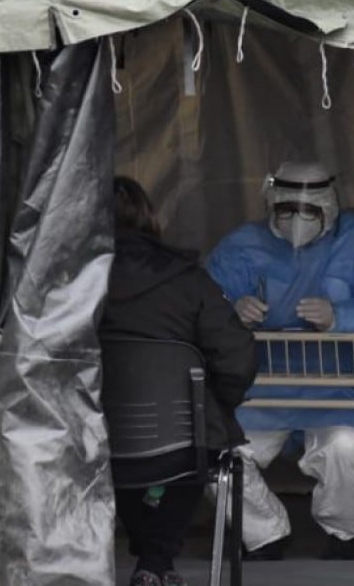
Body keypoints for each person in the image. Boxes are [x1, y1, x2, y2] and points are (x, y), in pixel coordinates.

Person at [206, 161, 354, 560]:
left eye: (310, 211)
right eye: (286, 210)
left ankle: (345, 538)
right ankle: (265, 534)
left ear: (330, 206)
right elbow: (202, 302)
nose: (297, 220)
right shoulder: (243, 246)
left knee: (346, 448)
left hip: (340, 387)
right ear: (270, 205)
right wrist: (232, 309)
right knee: (216, 456)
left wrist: (340, 318)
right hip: (262, 389)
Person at [100, 177, 258, 586]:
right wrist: (217, 407)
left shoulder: (65, 283)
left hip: (86, 439)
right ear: (150, 218)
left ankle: (149, 559)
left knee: (123, 461)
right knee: (197, 444)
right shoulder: (189, 280)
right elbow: (237, 356)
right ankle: (154, 561)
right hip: (177, 444)